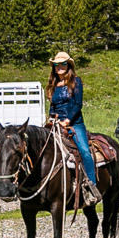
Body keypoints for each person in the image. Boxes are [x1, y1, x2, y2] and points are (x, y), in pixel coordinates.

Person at [47, 52, 102, 207]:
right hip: (56, 123)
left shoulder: (76, 82)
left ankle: (92, 185)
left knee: (84, 150)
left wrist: (67, 120)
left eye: (63, 64)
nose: (60, 67)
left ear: (68, 66)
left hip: (74, 123)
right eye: (57, 65)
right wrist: (52, 117)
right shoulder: (53, 84)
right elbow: (52, 106)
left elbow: (77, 104)